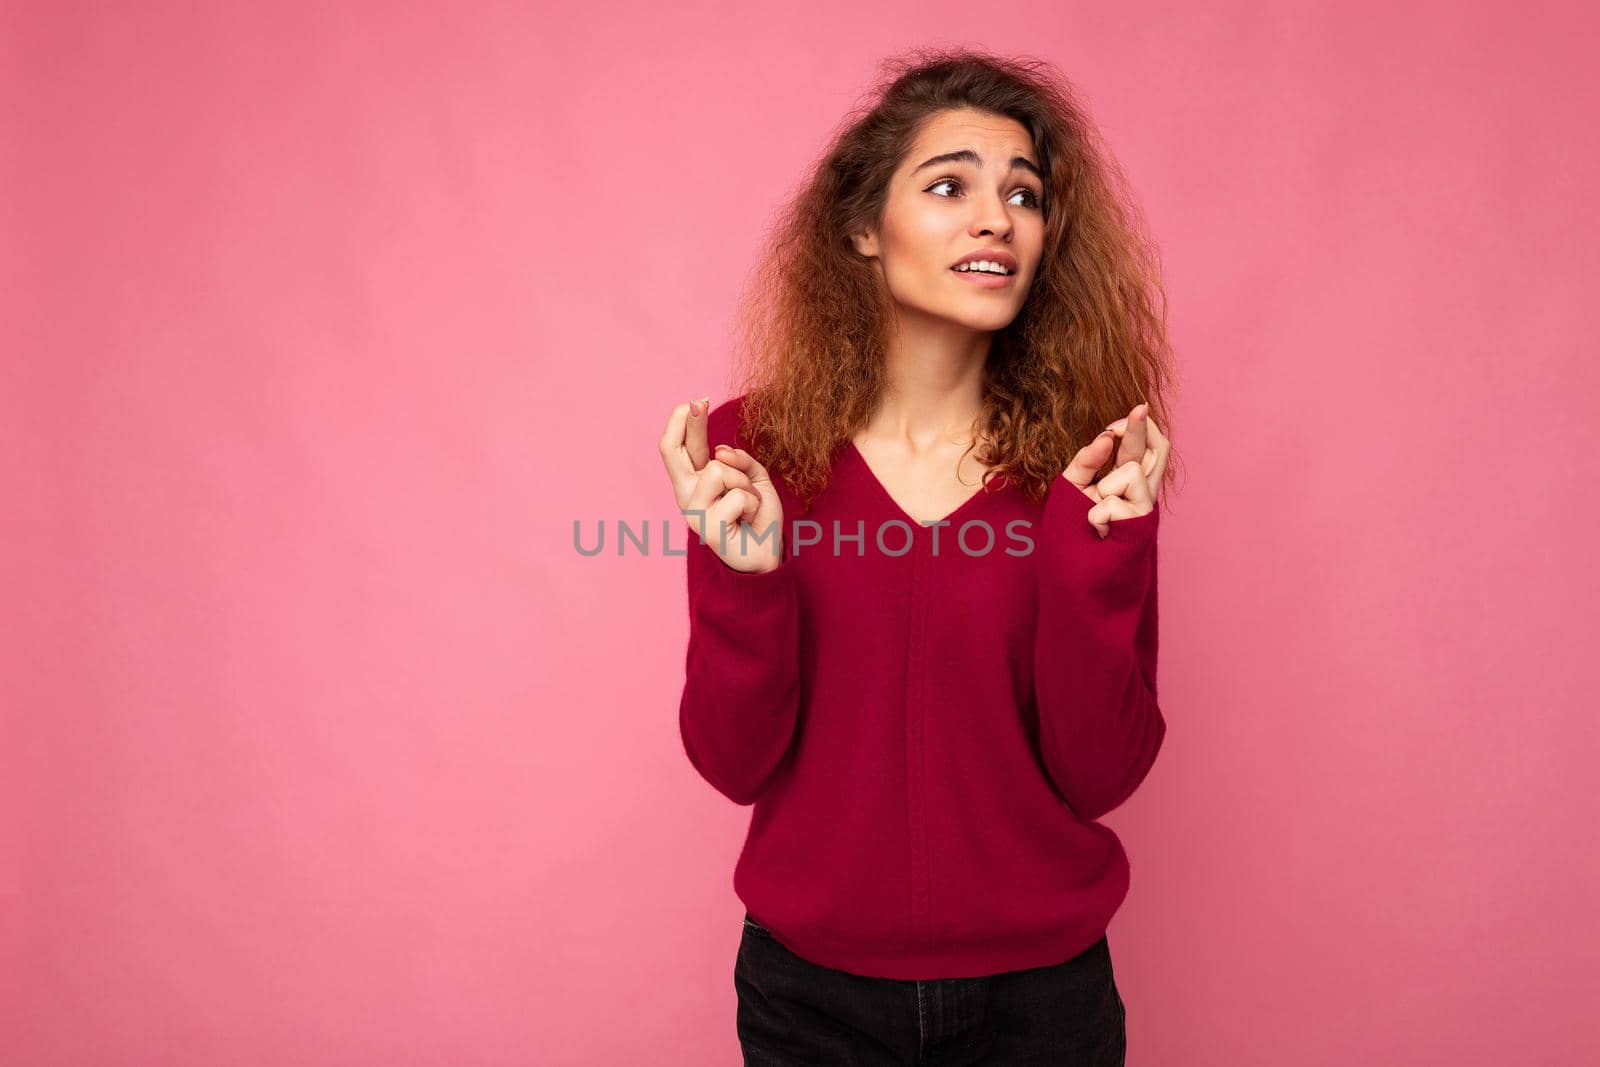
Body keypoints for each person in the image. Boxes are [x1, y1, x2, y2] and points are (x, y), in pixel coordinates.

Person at [657, 47, 1180, 1064]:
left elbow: (1101, 769)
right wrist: (746, 579)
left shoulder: (1089, 464)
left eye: (1023, 195)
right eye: (949, 185)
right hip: (810, 999)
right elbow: (732, 759)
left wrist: (1099, 557)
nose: (997, 218)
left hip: (1043, 1003)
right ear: (861, 227)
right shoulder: (752, 452)